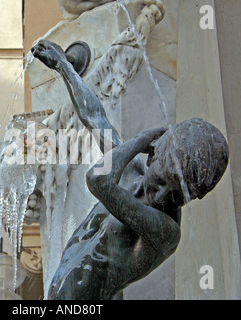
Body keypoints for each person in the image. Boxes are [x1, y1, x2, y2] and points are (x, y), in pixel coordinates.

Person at [31, 40, 229, 299]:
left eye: (177, 194)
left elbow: (97, 180)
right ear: (152, 157)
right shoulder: (130, 171)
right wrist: (64, 67)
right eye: (160, 181)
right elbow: (94, 116)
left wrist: (143, 138)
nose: (162, 195)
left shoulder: (166, 231)